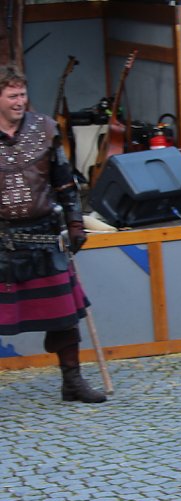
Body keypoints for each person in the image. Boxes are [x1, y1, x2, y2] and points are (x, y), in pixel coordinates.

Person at [0, 66, 105, 404]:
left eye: (22, 94)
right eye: (12, 95)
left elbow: (64, 183)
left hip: (44, 237)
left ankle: (72, 382)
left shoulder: (44, 129)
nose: (20, 101)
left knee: (63, 316)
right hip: (2, 241)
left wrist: (75, 223)